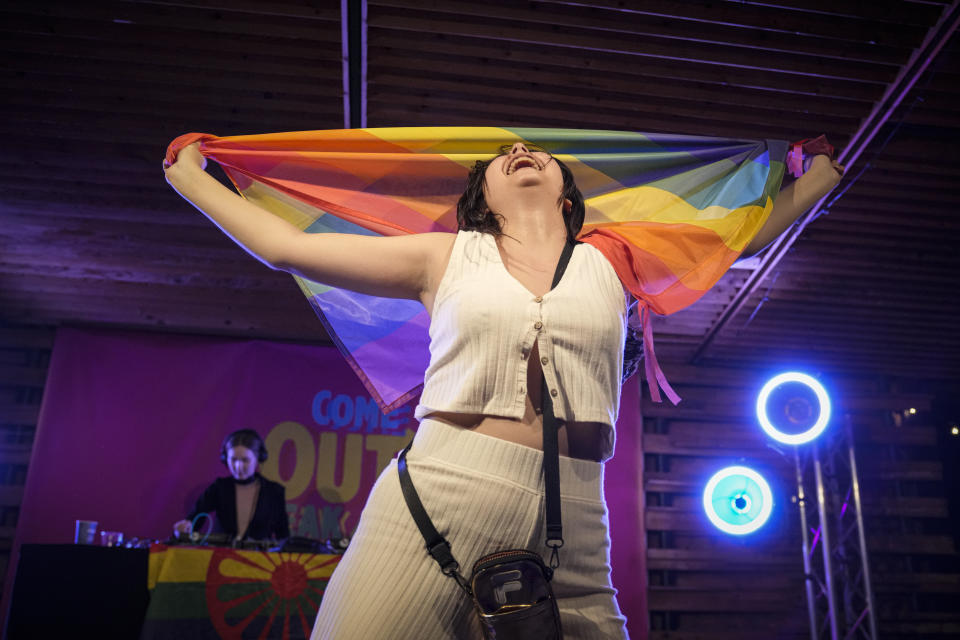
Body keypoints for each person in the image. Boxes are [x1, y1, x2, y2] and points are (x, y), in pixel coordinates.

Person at [164, 137, 842, 638]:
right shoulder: (445, 254)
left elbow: (737, 239)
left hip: (572, 522)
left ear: (566, 193)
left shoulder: (612, 259)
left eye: (538, 152)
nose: (521, 150)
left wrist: (814, 180)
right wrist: (189, 176)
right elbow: (287, 248)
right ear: (480, 195)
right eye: (502, 155)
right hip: (434, 501)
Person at [173, 428, 290, 541]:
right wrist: (186, 526)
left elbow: (283, 535)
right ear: (225, 459)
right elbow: (195, 518)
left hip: (258, 558)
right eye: (233, 459)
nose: (238, 466)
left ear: (258, 458)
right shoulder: (219, 487)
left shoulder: (274, 492)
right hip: (221, 556)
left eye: (245, 460)